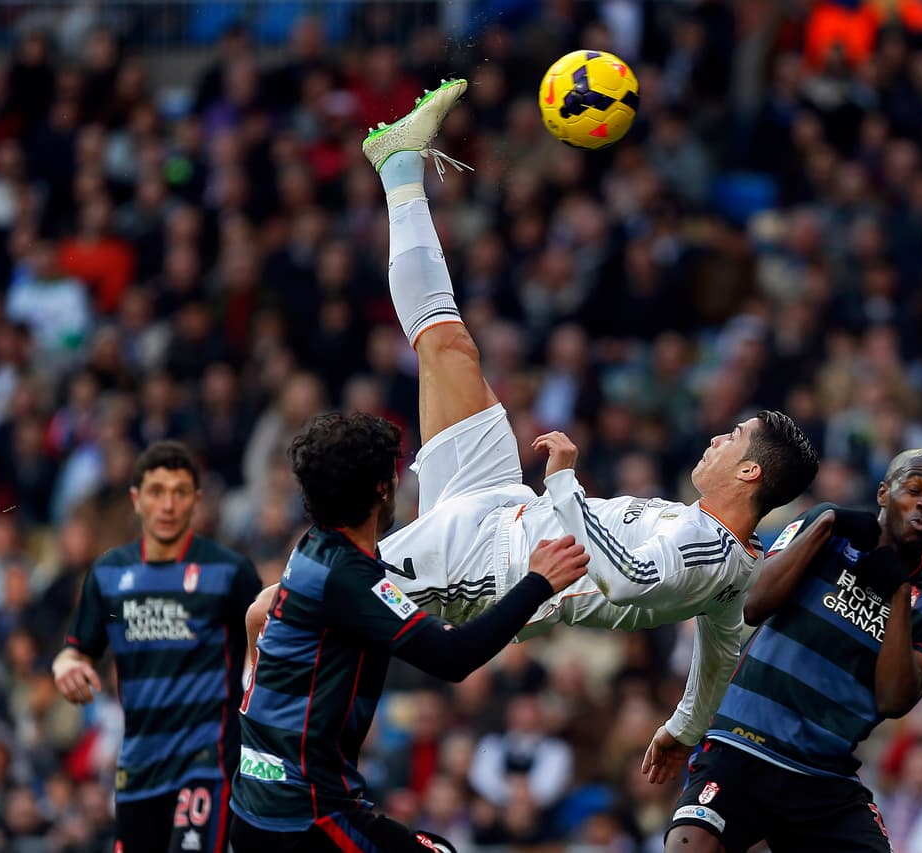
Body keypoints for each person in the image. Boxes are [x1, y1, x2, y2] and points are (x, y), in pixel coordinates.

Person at [319, 77, 817, 776]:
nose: (715, 438)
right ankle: (400, 165)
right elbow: (723, 652)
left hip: (485, 568)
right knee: (449, 346)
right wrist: (685, 726)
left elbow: (622, 577)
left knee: (306, 594)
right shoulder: (735, 561)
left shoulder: (708, 551)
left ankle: (243, 686)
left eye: (731, 438)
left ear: (749, 471)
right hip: (501, 504)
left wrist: (563, 482)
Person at [228, 411, 590, 852]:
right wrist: (538, 582)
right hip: (304, 818)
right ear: (384, 488)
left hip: (255, 806)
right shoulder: (347, 576)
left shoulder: (311, 550)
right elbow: (452, 657)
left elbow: (258, 613)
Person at [665, 448, 922, 852]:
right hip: (742, 744)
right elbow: (753, 605)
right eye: (914, 490)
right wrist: (825, 524)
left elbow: (893, 700)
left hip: (823, 776)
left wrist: (898, 593)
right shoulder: (825, 529)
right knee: (688, 845)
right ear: (883, 493)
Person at [52, 440, 262, 853]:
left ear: (196, 500)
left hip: (207, 762)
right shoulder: (109, 573)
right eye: (156, 492)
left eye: (180, 492)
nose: (167, 505)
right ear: (136, 499)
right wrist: (65, 666)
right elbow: (76, 649)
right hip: (138, 765)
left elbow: (264, 647)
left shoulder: (229, 571)